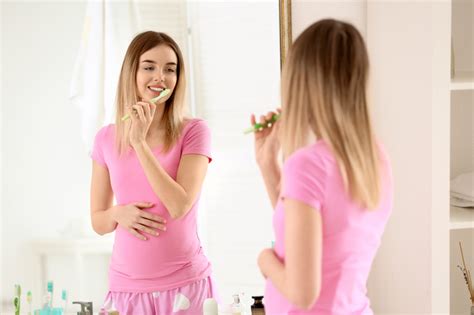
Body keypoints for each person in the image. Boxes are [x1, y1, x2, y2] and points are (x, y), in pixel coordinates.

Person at [253, 19, 393, 315]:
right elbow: (311, 234)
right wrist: (269, 166)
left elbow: (302, 294)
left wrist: (265, 260)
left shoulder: (306, 165)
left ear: (299, 82)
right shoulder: (374, 157)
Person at [90, 31, 217, 315]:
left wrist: (139, 142)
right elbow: (98, 221)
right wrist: (117, 213)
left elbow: (179, 205)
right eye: (149, 67)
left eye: (170, 69)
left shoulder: (194, 131)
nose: (160, 77)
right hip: (126, 291)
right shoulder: (105, 139)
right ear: (132, 73)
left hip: (185, 286)